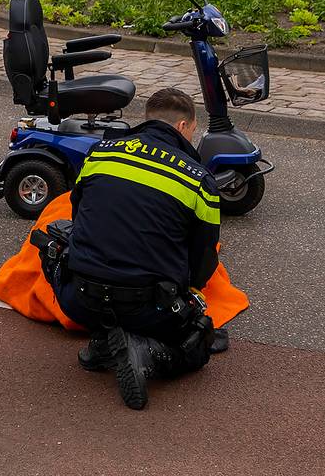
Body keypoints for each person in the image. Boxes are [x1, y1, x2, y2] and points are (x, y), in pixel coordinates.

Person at [42, 88, 221, 410]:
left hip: (80, 299)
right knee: (200, 341)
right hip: (148, 309)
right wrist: (188, 294)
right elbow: (204, 256)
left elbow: (79, 212)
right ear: (182, 127)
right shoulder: (198, 177)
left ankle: (104, 339)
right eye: (194, 130)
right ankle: (148, 351)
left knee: (53, 246)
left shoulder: (101, 152)